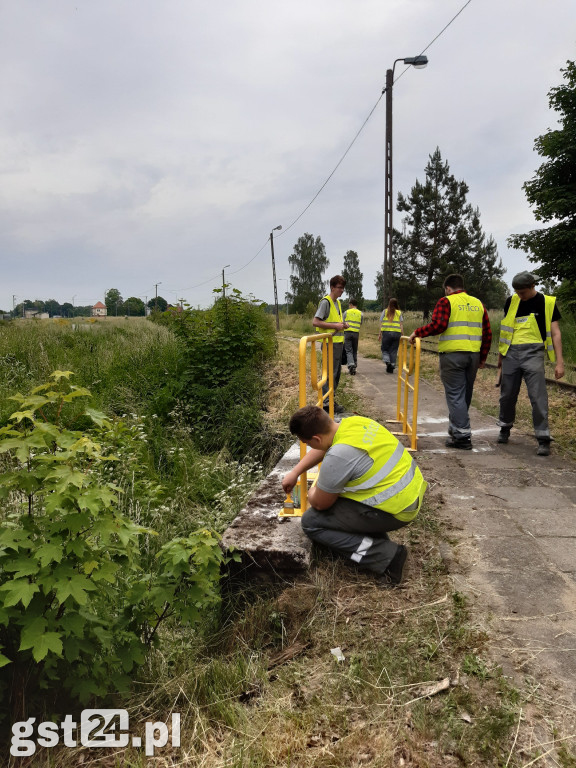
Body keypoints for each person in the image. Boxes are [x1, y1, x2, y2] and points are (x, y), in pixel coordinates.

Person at [282, 405, 427, 587]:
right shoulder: (354, 423)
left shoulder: (339, 455)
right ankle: (378, 541)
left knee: (312, 522)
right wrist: (296, 471)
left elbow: (319, 503)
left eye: (307, 443)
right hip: (408, 495)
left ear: (316, 438)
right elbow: (325, 446)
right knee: (343, 500)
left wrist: (315, 487)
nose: (309, 447)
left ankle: (387, 557)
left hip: (396, 509)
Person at [408, 274, 492, 450]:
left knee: (455, 395)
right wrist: (483, 357)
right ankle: (455, 431)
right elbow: (487, 333)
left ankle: (462, 436)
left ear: (447, 288)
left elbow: (439, 325)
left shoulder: (446, 302)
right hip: (473, 355)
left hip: (453, 355)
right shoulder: (478, 303)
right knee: (464, 395)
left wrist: (418, 332)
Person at [497, 271, 564, 456]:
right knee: (507, 395)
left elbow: (556, 332)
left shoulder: (547, 303)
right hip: (510, 353)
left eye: (523, 292)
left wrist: (560, 362)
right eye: (517, 292)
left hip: (534, 354)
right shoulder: (511, 301)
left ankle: (543, 438)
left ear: (532, 286)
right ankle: (504, 427)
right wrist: (501, 357)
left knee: (537, 396)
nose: (520, 296)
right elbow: (505, 330)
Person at [313, 275, 349, 414]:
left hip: (337, 343)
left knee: (335, 374)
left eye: (343, 288)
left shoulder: (337, 303)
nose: (341, 291)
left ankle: (329, 399)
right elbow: (316, 321)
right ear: (332, 287)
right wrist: (336, 326)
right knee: (329, 374)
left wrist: (342, 325)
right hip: (329, 343)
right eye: (339, 288)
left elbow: (335, 323)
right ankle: (327, 403)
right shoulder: (325, 302)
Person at [379, 298, 404, 374]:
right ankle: (392, 365)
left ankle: (388, 362)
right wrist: (402, 334)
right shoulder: (399, 312)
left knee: (385, 349)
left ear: (389, 304)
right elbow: (401, 324)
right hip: (397, 333)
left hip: (387, 333)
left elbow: (381, 322)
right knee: (393, 350)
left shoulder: (385, 311)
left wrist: (380, 333)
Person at [343, 298, 363, 375]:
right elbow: (361, 323)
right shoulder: (360, 313)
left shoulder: (346, 312)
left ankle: (351, 365)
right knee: (354, 350)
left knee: (348, 350)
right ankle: (354, 365)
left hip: (347, 333)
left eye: (349, 304)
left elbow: (343, 322)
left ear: (351, 304)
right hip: (356, 333)